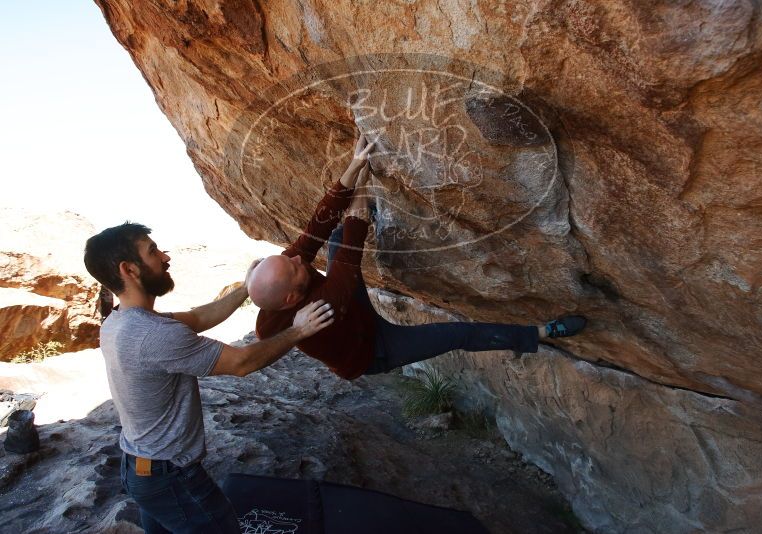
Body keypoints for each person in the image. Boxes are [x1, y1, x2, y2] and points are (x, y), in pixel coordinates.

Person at [249, 132, 587, 381]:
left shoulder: (281, 280)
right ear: (291, 297)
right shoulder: (318, 309)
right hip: (373, 350)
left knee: (333, 235)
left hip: (350, 311)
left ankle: (373, 207)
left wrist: (354, 166)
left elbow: (316, 228)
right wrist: (364, 185)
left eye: (290, 258)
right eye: (295, 268)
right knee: (458, 335)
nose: (297, 259)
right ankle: (539, 333)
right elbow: (352, 242)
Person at [83, 225, 333, 533]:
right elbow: (242, 362)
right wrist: (299, 330)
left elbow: (198, 318)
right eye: (153, 251)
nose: (165, 257)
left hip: (140, 469)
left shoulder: (120, 321)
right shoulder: (154, 335)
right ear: (129, 269)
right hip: (169, 475)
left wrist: (246, 288)